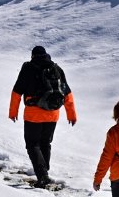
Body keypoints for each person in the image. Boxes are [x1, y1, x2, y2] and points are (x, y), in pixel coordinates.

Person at [9, 46, 77, 188]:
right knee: (45, 143)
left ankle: (43, 176)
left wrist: (13, 112)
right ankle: (44, 172)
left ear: (33, 56)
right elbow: (67, 94)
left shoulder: (28, 68)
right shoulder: (56, 69)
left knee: (32, 144)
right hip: (53, 114)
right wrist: (71, 115)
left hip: (33, 114)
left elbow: (16, 92)